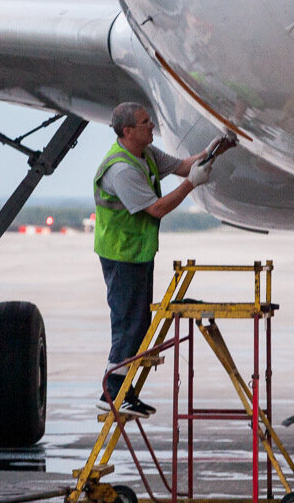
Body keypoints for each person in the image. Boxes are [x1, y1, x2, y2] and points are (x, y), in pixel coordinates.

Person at [93, 102, 236, 417]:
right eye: (146, 122)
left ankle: (124, 391)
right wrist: (192, 185)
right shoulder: (122, 169)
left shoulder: (144, 154)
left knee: (139, 322)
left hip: (137, 251)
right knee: (128, 324)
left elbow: (184, 165)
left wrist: (214, 150)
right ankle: (112, 393)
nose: (153, 125)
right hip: (121, 255)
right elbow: (157, 208)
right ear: (128, 131)